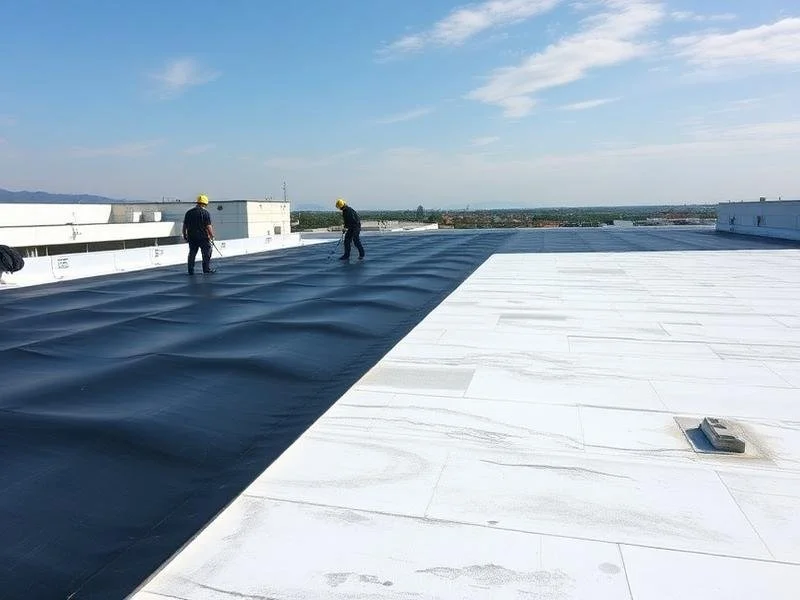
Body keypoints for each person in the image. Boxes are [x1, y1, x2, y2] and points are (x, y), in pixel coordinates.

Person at [183, 194, 216, 274]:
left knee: (192, 253)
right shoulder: (205, 213)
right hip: (203, 237)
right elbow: (208, 226)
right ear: (205, 204)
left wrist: (185, 235)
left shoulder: (189, 212)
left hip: (192, 237)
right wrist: (212, 236)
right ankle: (206, 269)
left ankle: (190, 270)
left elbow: (185, 225)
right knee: (206, 253)